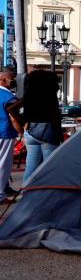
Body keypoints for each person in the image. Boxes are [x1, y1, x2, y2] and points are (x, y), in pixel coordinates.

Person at [18, 70, 63, 181]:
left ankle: (26, 193)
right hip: (48, 133)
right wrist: (59, 136)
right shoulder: (50, 97)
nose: (57, 86)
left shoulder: (29, 96)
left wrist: (24, 121)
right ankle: (47, 195)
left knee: (31, 166)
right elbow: (55, 117)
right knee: (49, 167)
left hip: (31, 132)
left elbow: (11, 108)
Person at [0, 70, 22, 203]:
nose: (13, 81)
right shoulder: (8, 96)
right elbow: (13, 118)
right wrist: (21, 132)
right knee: (3, 164)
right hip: (5, 132)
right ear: (2, 79)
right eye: (11, 78)